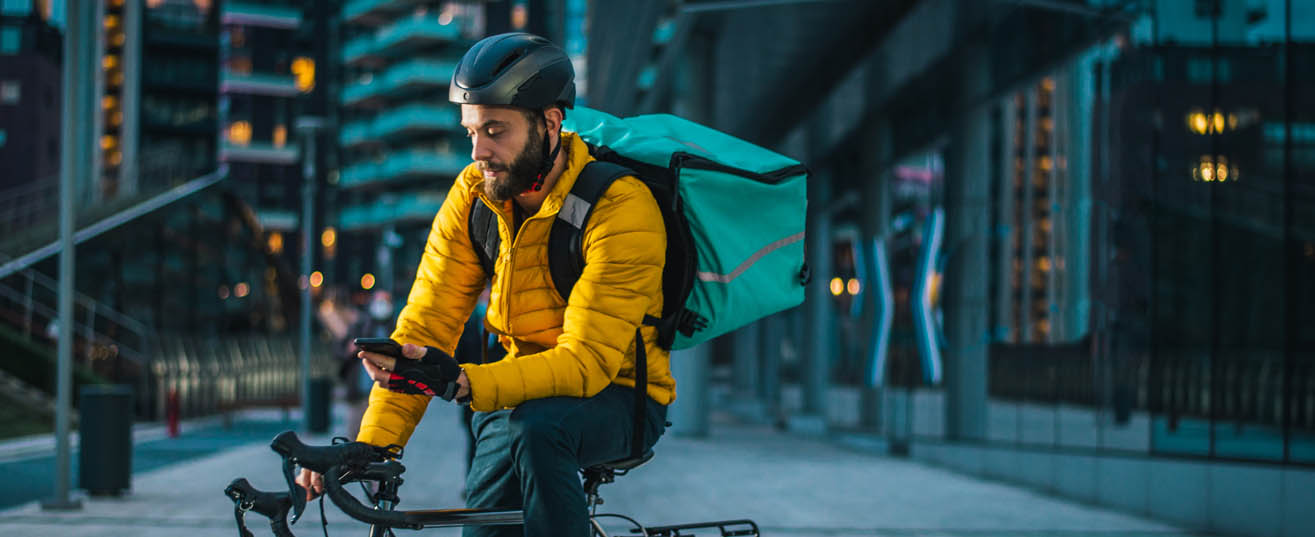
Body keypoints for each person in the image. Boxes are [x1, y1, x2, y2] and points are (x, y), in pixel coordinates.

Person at [296, 33, 674, 537]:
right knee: (488, 523)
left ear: (551, 123)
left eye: (496, 131)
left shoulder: (620, 207)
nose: (480, 151)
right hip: (513, 398)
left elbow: (589, 362)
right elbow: (426, 325)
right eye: (471, 132)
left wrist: (463, 382)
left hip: (619, 396)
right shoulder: (474, 198)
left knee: (539, 431)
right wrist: (374, 445)